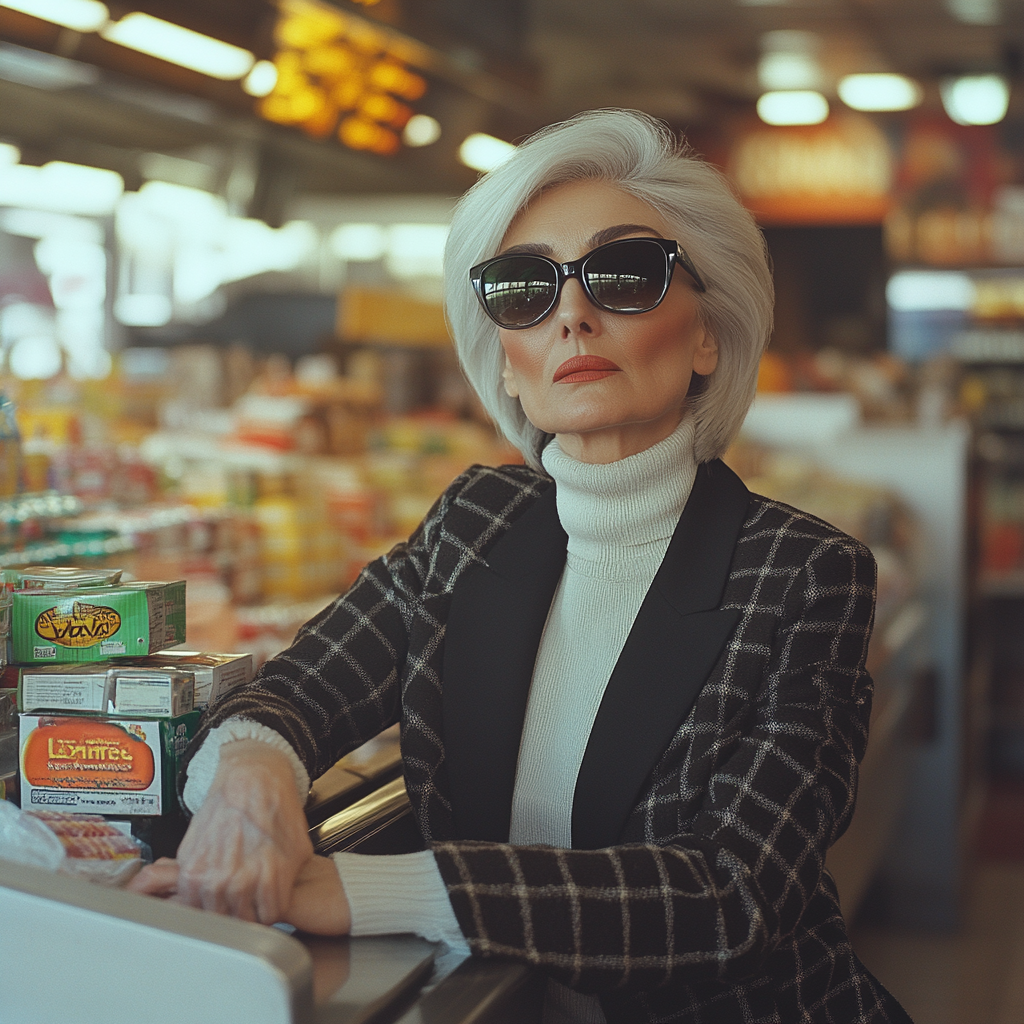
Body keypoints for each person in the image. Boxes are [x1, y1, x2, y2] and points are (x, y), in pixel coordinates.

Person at [131, 109, 912, 1024]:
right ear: (505, 362)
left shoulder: (806, 576)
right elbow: (302, 686)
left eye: (623, 276)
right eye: (524, 290)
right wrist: (253, 773)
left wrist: (362, 894)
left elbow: (728, 896)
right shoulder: (475, 523)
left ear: (709, 336)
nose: (573, 314)